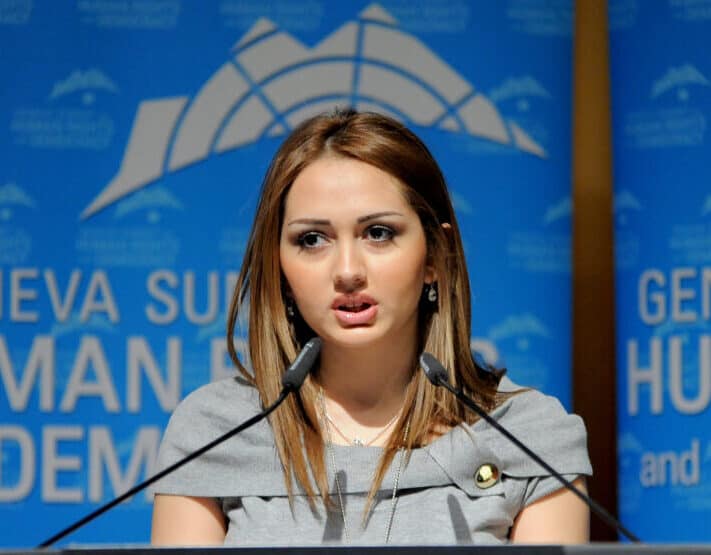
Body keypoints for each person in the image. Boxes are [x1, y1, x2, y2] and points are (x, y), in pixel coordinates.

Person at [150, 109, 591, 546]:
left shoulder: (528, 437)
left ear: (436, 255)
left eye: (378, 233)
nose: (347, 271)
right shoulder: (213, 432)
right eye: (312, 239)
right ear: (279, 267)